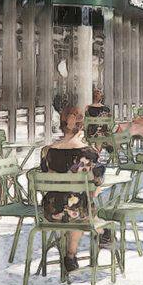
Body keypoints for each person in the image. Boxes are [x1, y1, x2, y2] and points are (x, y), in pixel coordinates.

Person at [40, 106, 107, 273]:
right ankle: (102, 234)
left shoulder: (47, 152)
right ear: (82, 126)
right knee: (81, 202)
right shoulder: (89, 153)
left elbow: (45, 174)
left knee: (71, 200)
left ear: (62, 125)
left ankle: (71, 255)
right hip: (78, 211)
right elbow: (97, 183)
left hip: (50, 211)